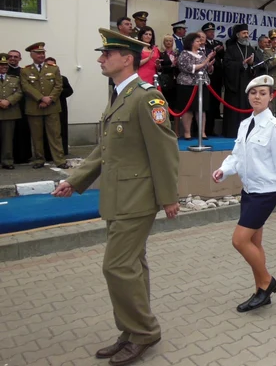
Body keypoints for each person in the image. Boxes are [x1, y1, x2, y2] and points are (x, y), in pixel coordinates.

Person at [52, 28, 179, 364]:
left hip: (137, 198)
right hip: (118, 197)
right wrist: (76, 180)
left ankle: (145, 332)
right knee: (133, 266)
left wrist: (169, 198)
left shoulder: (147, 97)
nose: (100, 59)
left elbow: (165, 151)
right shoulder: (120, 94)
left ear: (126, 59)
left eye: (106, 55)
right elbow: (104, 149)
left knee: (117, 267)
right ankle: (130, 330)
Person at [213, 75, 276, 312]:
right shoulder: (245, 125)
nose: (257, 97)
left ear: (270, 96)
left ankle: (267, 282)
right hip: (249, 189)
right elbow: (236, 156)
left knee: (239, 240)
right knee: (254, 242)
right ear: (248, 96)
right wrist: (224, 170)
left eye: (262, 93)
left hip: (266, 191)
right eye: (253, 93)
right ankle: (261, 293)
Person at [20, 42, 68, 169]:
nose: (41, 55)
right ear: (32, 55)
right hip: (34, 108)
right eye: (38, 53)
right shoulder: (25, 70)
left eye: (43, 53)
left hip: (52, 107)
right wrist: (41, 98)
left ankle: (59, 160)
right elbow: (26, 87)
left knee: (55, 135)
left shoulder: (53, 68)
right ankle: (39, 160)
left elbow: (59, 85)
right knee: (37, 136)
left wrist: (49, 99)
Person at [222, 24, 265, 137]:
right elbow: (227, 65)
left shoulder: (250, 49)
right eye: (244, 33)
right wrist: (241, 64)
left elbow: (257, 66)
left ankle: (247, 131)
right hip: (235, 84)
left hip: (248, 82)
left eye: (247, 33)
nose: (246, 35)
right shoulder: (231, 49)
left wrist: (251, 65)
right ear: (237, 35)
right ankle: (233, 132)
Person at [176, 33, 215, 140]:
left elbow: (205, 68)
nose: (200, 43)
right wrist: (206, 61)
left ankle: (202, 132)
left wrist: (210, 65)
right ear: (191, 43)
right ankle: (187, 133)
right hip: (187, 85)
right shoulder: (184, 54)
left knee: (201, 110)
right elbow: (188, 68)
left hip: (202, 84)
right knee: (188, 110)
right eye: (197, 41)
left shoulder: (201, 53)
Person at [44, 57, 74, 156]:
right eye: (48, 65)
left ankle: (62, 151)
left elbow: (69, 91)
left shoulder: (62, 78)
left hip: (60, 107)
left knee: (61, 130)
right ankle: (47, 153)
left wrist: (56, 92)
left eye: (52, 65)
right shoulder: (41, 79)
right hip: (46, 107)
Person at [201, 23, 225, 137]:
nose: (212, 33)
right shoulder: (204, 46)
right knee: (207, 103)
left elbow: (222, 57)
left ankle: (212, 129)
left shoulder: (218, 43)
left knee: (216, 102)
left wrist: (220, 50)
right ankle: (204, 129)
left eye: (213, 31)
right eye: (209, 31)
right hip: (207, 77)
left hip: (217, 76)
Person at [0, 53, 23, 169]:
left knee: (7, 139)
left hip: (9, 112)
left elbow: (19, 92)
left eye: (5, 65)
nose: (4, 67)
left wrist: (8, 101)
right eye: (1, 65)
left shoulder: (15, 79)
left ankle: (7, 161)